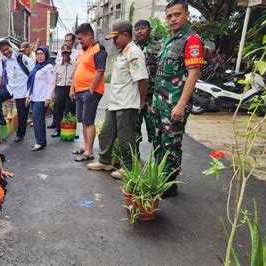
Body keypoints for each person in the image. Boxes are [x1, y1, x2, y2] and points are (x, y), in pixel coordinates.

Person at [153, 0, 204, 198]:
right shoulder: (168, 40)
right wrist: (154, 103)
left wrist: (181, 104)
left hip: (174, 104)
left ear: (186, 15)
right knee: (159, 142)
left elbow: (193, 74)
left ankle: (170, 185)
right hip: (160, 103)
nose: (173, 19)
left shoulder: (191, 40)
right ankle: (158, 177)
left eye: (177, 14)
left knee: (171, 144)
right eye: (169, 16)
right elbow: (160, 75)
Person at [87, 20, 149, 179]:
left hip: (127, 104)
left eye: (115, 38)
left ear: (126, 35)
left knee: (125, 138)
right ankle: (105, 161)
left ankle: (128, 167)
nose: (113, 42)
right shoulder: (123, 53)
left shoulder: (134, 53)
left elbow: (142, 80)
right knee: (107, 133)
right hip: (114, 103)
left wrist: (141, 102)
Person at [70, 23, 107, 162]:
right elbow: (77, 71)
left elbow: (99, 71)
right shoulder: (82, 52)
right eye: (78, 40)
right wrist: (72, 88)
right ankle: (85, 147)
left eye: (81, 39)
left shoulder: (98, 49)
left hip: (90, 91)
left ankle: (89, 152)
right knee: (83, 120)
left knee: (88, 120)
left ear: (89, 35)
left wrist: (91, 89)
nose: (79, 42)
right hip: (79, 91)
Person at [0, 40, 35, 143]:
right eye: (3, 51)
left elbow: (33, 71)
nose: (6, 52)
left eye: (7, 49)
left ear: (10, 47)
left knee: (22, 115)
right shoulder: (4, 60)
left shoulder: (21, 57)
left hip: (22, 91)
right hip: (10, 88)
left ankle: (20, 135)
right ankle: (0, 119)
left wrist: (31, 90)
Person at [134, 20, 162, 150]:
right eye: (137, 29)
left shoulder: (158, 47)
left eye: (143, 28)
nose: (139, 31)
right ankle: (133, 162)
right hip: (134, 95)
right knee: (133, 130)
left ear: (150, 30)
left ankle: (157, 164)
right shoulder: (130, 48)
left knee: (155, 131)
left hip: (153, 96)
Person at [26, 47, 55, 151]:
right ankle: (42, 141)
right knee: (38, 120)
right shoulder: (36, 67)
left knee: (37, 120)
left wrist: (48, 98)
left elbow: (52, 83)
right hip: (34, 98)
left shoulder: (48, 67)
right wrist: (28, 95)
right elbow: (31, 83)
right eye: (38, 54)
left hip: (42, 98)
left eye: (42, 54)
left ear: (46, 55)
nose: (39, 56)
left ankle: (39, 142)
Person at [50, 44, 77, 138]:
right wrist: (53, 92)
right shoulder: (57, 65)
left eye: (67, 53)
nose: (66, 54)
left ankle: (72, 130)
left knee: (71, 111)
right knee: (58, 110)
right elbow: (54, 80)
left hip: (70, 89)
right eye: (64, 52)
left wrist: (73, 89)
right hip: (60, 89)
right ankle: (58, 129)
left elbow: (76, 78)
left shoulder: (75, 64)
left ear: (70, 53)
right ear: (61, 53)